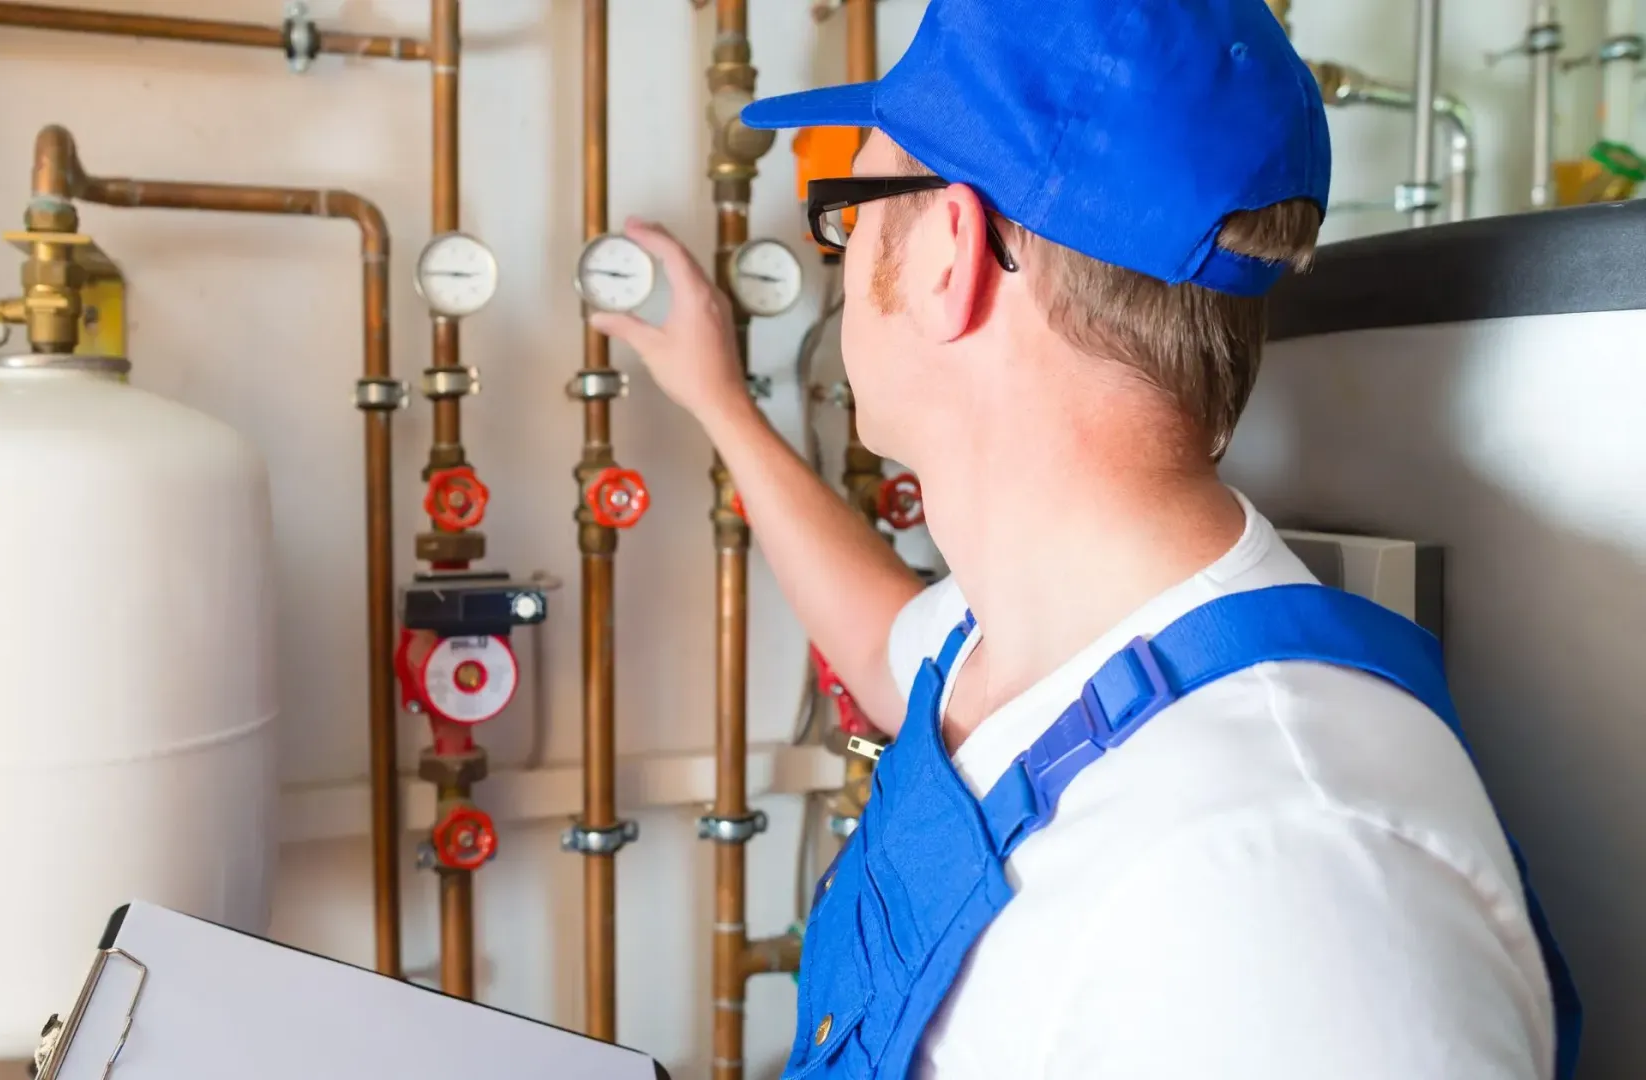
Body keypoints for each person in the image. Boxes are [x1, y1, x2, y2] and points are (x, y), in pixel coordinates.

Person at [590, 0, 1580, 1077]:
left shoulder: (1286, 889)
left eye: (850, 212)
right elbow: (887, 651)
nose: (840, 255)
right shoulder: (1036, 624)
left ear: (948, 258)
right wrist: (722, 405)